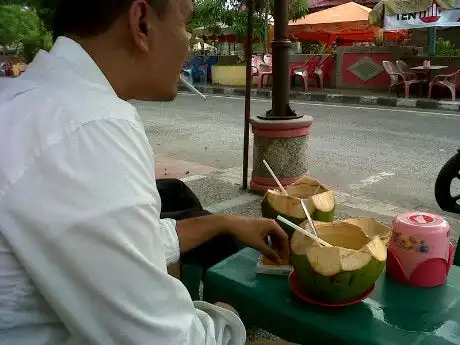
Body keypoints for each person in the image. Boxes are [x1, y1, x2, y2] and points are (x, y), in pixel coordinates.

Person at [0, 0, 292, 345]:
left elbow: (122, 246)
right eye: (185, 24)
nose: (188, 43)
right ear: (141, 24)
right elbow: (163, 339)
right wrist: (232, 314)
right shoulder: (92, 124)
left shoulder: (25, 98)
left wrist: (222, 223)